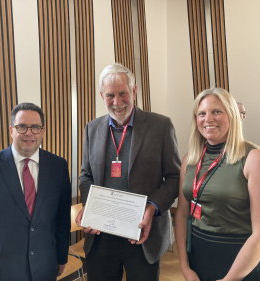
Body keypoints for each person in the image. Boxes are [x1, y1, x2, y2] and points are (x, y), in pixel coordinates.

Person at [75, 63, 181, 281]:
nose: (117, 102)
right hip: (101, 236)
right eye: (110, 95)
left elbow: (174, 177)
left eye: (123, 93)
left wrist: (152, 208)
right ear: (102, 95)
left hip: (143, 234)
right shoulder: (91, 128)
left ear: (133, 91)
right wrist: (90, 206)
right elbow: (86, 176)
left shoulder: (160, 126)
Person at [175, 88, 260, 281]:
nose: (208, 119)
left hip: (240, 261)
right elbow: (181, 214)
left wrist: (230, 279)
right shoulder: (190, 160)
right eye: (202, 113)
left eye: (217, 112)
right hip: (198, 256)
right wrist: (185, 267)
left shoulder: (254, 158)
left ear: (232, 115)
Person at [0, 103, 71, 281]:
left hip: (44, 267)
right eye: (22, 127)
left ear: (42, 131)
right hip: (1, 270)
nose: (29, 133)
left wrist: (60, 257)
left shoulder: (58, 166)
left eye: (35, 127)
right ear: (11, 130)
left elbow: (61, 219)